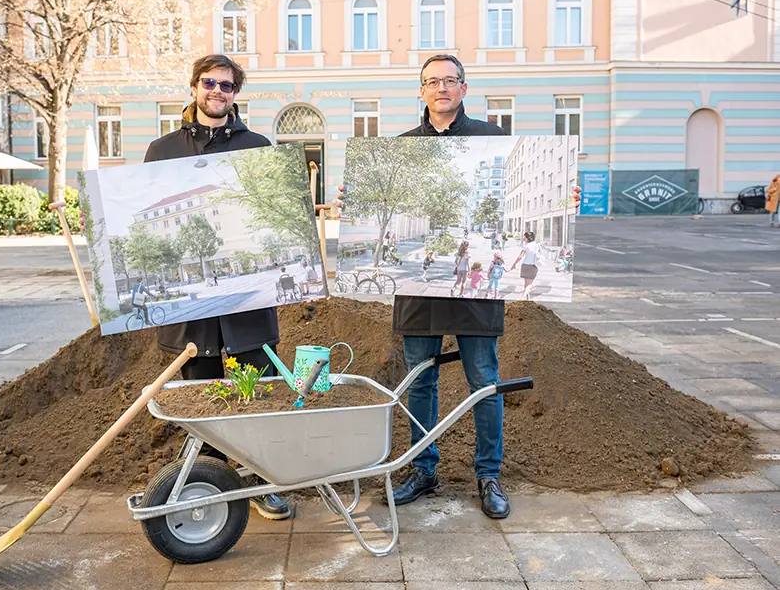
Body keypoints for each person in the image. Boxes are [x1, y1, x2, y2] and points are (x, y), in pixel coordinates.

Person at [336, 55, 580, 519]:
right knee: (420, 382)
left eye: (450, 81)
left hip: (476, 295)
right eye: (432, 82)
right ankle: (423, 469)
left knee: (484, 383)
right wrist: (357, 200)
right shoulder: (400, 149)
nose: (441, 88)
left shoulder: (493, 140)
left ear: (464, 89)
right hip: (421, 293)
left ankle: (488, 474)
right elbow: (377, 208)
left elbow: (530, 194)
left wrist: (565, 197)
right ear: (422, 91)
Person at [143, 54, 290, 521]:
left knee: (257, 400)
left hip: (248, 305)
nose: (217, 92)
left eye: (227, 86)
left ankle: (263, 481)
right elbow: (141, 221)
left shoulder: (258, 146)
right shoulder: (161, 151)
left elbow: (276, 222)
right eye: (209, 83)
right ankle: (213, 487)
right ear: (194, 87)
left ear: (235, 94)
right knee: (204, 406)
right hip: (193, 311)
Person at [511, 231, 540, 300]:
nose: (524, 238)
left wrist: (514, 263)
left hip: (525, 266)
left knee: (526, 284)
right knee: (529, 284)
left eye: (525, 237)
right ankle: (523, 297)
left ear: (528, 238)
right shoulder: (536, 245)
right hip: (533, 266)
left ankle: (527, 298)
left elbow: (520, 256)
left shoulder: (525, 246)